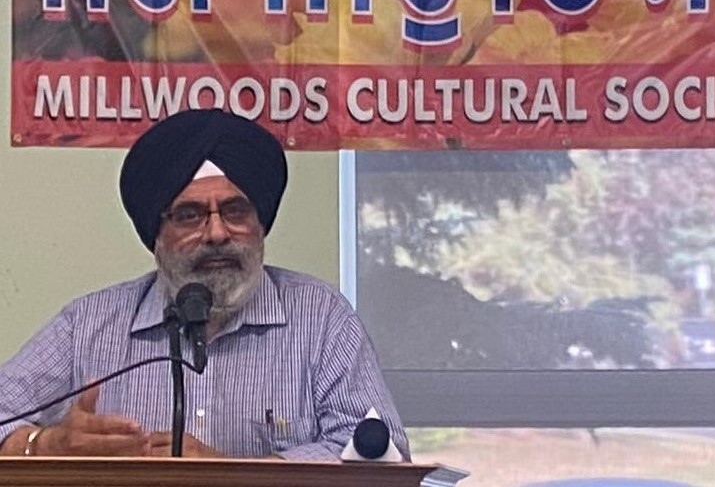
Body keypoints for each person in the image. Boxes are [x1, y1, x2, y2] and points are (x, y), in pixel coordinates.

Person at [0, 109, 409, 460]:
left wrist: (235, 476)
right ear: (156, 235)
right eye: (189, 215)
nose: (216, 233)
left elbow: (380, 454)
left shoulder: (320, 318)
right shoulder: (89, 326)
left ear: (260, 223)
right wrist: (45, 444)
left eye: (235, 210)